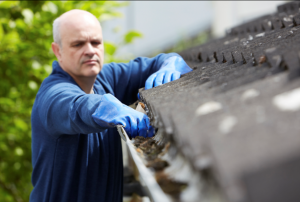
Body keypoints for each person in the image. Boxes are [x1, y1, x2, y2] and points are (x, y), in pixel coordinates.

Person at [30, 9, 192, 202]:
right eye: (78, 44)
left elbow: (161, 61)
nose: (90, 50)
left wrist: (171, 64)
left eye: (96, 42)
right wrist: (105, 106)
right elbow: (75, 106)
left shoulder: (107, 78)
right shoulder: (52, 95)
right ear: (58, 51)